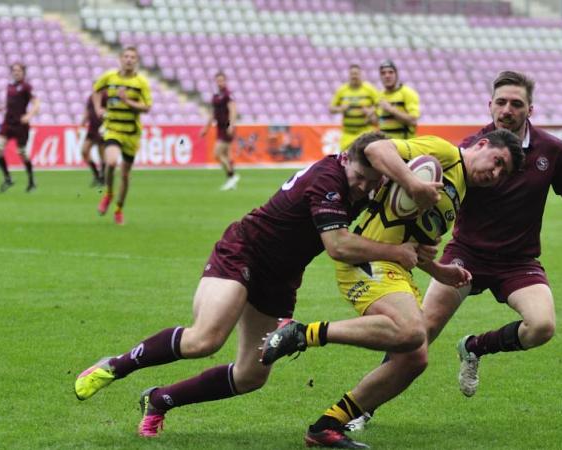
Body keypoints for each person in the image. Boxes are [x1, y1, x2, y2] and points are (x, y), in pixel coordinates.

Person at [73, 132, 440, 439]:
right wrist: (397, 249)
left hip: (281, 277)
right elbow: (339, 246)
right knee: (205, 339)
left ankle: (160, 400)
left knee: (250, 376)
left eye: (373, 182)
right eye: (360, 176)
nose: (363, 186)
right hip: (245, 251)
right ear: (347, 159)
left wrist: (438, 267)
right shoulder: (328, 178)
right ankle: (116, 366)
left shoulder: (371, 186)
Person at [342, 70, 562, 434]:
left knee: (541, 327)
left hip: (519, 261)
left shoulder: (552, 151)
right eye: (501, 102)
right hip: (466, 255)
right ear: (489, 105)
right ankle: (363, 409)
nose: (507, 110)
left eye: (516, 104)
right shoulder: (472, 149)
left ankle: (475, 346)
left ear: (530, 109)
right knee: (419, 333)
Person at [260, 129, 524, 448]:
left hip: (397, 269)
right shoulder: (443, 152)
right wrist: (413, 183)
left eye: (502, 173)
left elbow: (414, 244)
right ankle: (302, 333)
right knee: (412, 332)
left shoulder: (460, 194)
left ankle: (327, 425)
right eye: (497, 161)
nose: (495, 173)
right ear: (481, 145)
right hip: (370, 261)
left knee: (414, 358)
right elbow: (375, 148)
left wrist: (439, 270)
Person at [92, 46, 152, 225]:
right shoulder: (110, 77)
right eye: (126, 56)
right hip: (113, 128)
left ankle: (118, 209)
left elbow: (147, 107)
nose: (129, 60)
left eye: (133, 57)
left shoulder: (141, 82)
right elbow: (96, 90)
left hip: (131, 134)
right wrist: (97, 108)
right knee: (111, 162)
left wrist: (127, 101)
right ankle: (109, 194)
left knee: (125, 175)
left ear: (137, 61)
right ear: (120, 58)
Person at [0, 62, 40, 193]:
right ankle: (8, 178)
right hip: (7, 123)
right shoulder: (9, 86)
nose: (16, 72)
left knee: (22, 154)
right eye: (14, 70)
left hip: (21, 125)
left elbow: (36, 103)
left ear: (23, 73)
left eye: (18, 70)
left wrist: (29, 115)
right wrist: (2, 107)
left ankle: (31, 181)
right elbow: (11, 102)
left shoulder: (26, 87)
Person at [200, 71, 240, 191]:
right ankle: (231, 181)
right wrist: (206, 128)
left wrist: (231, 126)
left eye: (222, 80)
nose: (220, 82)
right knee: (227, 155)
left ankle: (232, 176)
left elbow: (233, 110)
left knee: (217, 154)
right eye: (218, 80)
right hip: (219, 128)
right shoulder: (216, 96)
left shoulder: (228, 95)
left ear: (225, 81)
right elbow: (213, 114)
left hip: (226, 127)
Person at [329, 64, 379, 151]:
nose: (354, 76)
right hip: (347, 133)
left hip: (365, 131)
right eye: (352, 74)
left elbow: (380, 103)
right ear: (349, 75)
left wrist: (370, 111)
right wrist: (341, 108)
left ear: (360, 75)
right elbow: (331, 108)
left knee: (366, 157)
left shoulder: (369, 89)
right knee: (345, 159)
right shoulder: (342, 90)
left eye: (356, 74)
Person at [373, 59, 420, 139]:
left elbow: (413, 121)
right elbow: (377, 121)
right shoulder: (379, 95)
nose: (387, 76)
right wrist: (369, 114)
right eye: (383, 73)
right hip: (386, 144)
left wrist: (391, 110)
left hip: (405, 145)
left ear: (396, 74)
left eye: (390, 72)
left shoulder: (408, 93)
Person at [80, 92, 106, 187]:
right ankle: (96, 174)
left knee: (102, 154)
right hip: (92, 128)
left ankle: (102, 178)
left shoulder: (106, 96)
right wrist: (83, 122)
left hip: (102, 128)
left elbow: (110, 110)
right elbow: (88, 110)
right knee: (84, 151)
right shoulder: (91, 96)